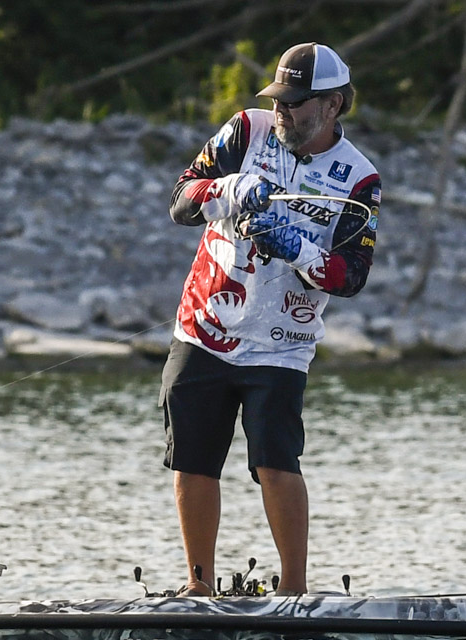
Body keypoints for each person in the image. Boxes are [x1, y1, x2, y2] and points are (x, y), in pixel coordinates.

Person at [159, 42, 381, 596]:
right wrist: (228, 188)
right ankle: (198, 586)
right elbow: (181, 201)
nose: (281, 111)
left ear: (332, 105)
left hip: (282, 341)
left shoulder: (360, 180)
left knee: (275, 462)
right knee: (193, 458)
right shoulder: (245, 130)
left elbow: (352, 276)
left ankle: (294, 591)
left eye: (295, 103)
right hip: (205, 325)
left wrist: (297, 248)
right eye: (278, 100)